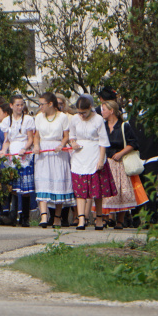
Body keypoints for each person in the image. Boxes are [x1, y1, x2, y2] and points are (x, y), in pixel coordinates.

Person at [67, 95, 117, 230]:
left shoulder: (98, 119)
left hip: (94, 154)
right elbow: (72, 135)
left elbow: (103, 141)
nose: (81, 115)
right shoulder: (75, 119)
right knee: (80, 189)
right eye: (79, 112)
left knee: (96, 189)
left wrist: (101, 160)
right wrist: (73, 142)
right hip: (79, 156)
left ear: (90, 108)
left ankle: (99, 218)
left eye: (84, 112)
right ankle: (81, 219)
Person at [100, 100, 149, 228]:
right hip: (106, 161)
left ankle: (120, 220)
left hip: (119, 162)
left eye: (104, 109)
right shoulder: (102, 126)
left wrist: (121, 153)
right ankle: (104, 218)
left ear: (111, 111)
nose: (102, 112)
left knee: (121, 191)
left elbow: (133, 143)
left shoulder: (123, 126)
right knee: (105, 191)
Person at [32, 92, 74, 228]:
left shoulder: (62, 117)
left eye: (42, 104)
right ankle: (44, 216)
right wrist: (36, 146)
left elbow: (66, 135)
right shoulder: (39, 117)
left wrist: (61, 145)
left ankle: (57, 217)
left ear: (50, 104)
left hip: (57, 152)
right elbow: (37, 135)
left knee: (58, 182)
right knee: (43, 182)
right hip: (43, 151)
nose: (40, 107)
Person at [0, 94, 36, 227]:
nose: (20, 107)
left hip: (23, 153)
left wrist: (25, 148)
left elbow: (30, 138)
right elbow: (7, 140)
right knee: (13, 187)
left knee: (25, 188)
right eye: (17, 105)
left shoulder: (28, 119)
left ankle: (25, 217)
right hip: (12, 154)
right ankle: (13, 215)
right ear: (11, 106)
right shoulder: (6, 121)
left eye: (21, 105)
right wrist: (3, 150)